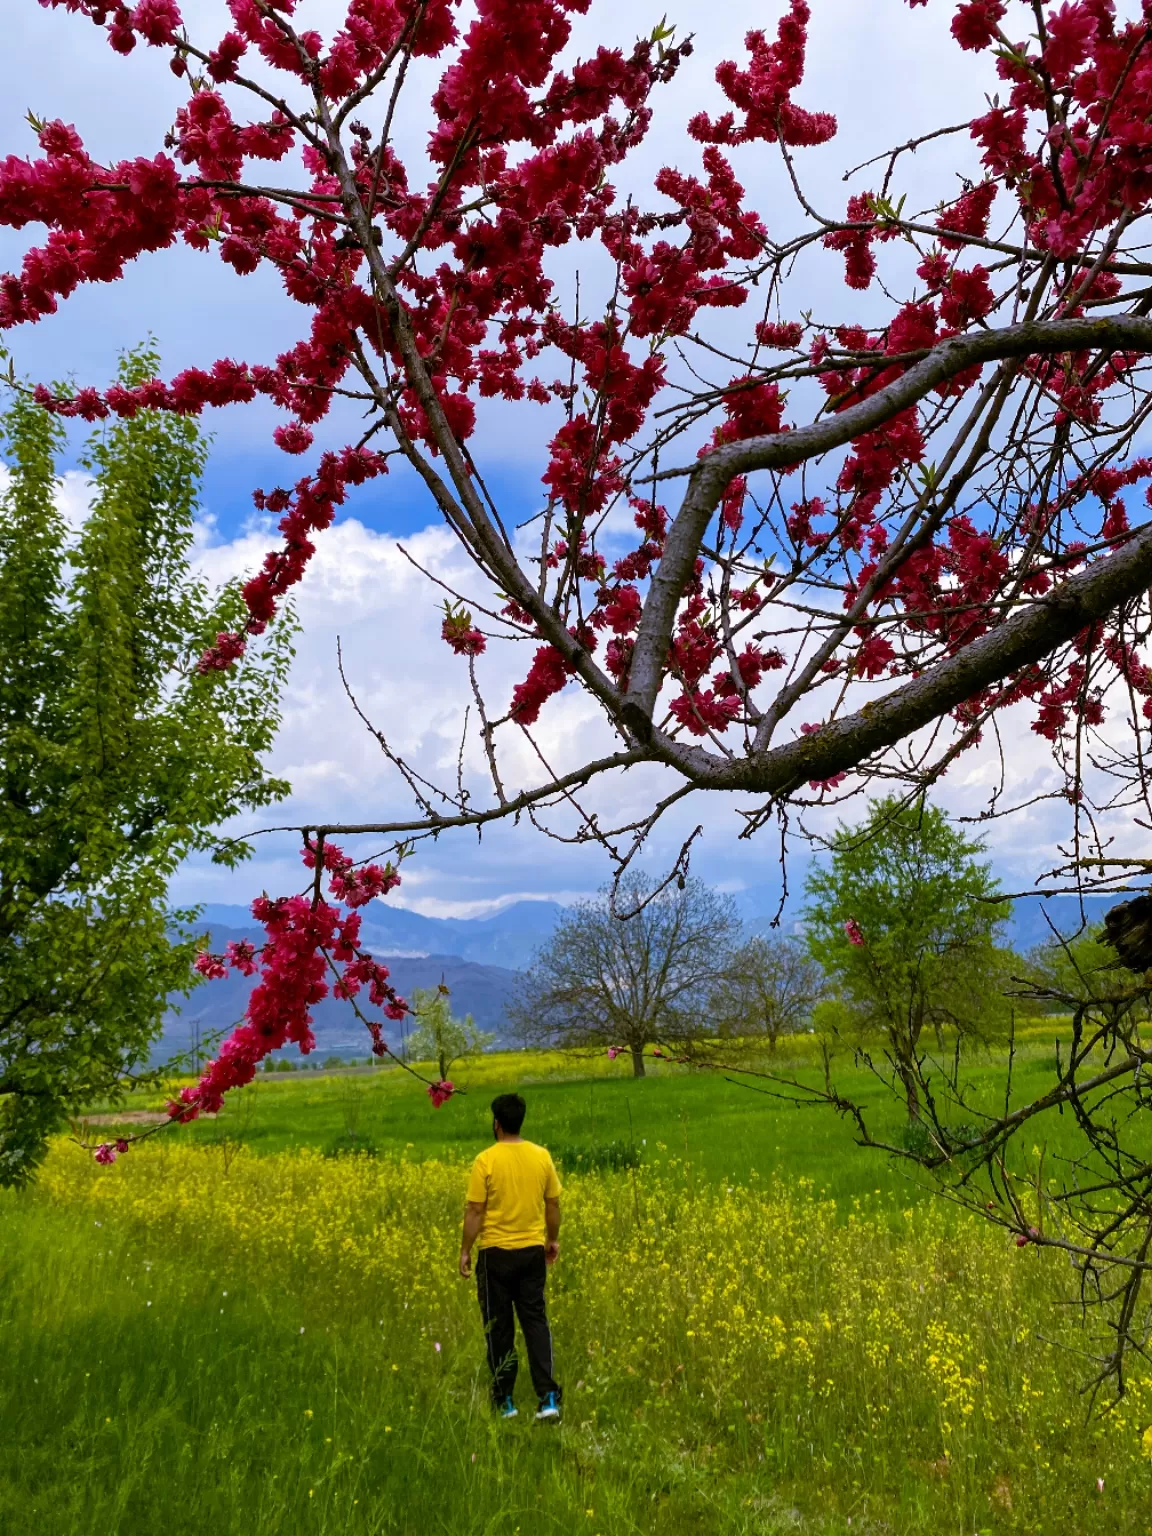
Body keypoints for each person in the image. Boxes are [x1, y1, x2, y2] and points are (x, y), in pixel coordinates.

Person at [459, 1092, 563, 1422]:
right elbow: (553, 1204)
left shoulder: (485, 1161)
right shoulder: (541, 1157)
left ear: (497, 1124)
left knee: (499, 1328)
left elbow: (475, 1210)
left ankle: (505, 1401)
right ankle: (548, 1398)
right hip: (532, 1253)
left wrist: (464, 1249)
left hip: (495, 1256)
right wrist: (552, 1240)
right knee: (535, 1322)